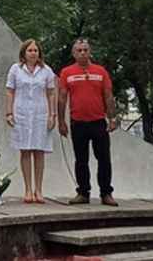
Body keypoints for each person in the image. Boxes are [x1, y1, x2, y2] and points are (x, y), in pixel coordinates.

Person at [58, 38, 118, 206]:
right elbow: (62, 98)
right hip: (78, 123)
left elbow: (108, 95)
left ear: (90, 52)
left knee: (104, 159)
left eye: (85, 50)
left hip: (98, 122)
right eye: (79, 50)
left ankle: (106, 193)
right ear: (74, 53)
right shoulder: (67, 73)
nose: (83, 52)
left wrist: (112, 118)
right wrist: (61, 121)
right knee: (81, 160)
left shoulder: (100, 71)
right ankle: (83, 193)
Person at [5, 39, 56, 203]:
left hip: (40, 114)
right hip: (22, 114)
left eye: (35, 50)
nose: (33, 53)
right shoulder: (15, 69)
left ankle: (39, 190)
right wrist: (9, 112)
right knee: (25, 150)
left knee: (39, 151)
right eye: (30, 50)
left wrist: (52, 115)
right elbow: (10, 92)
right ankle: (27, 189)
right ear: (24, 53)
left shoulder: (46, 71)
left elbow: (51, 93)